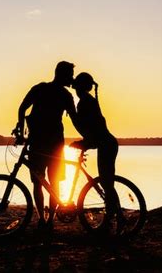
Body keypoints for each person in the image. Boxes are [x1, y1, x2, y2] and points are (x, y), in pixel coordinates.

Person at [14, 61, 77, 231]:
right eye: (70, 75)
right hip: (54, 142)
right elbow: (76, 120)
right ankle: (48, 221)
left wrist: (20, 131)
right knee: (52, 182)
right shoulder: (65, 95)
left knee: (38, 181)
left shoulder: (39, 88)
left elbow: (22, 109)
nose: (71, 79)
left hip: (38, 141)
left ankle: (43, 219)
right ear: (61, 74)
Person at [71, 72, 120, 225]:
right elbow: (92, 130)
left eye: (77, 85)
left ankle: (117, 217)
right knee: (107, 183)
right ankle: (113, 217)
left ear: (81, 86)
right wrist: (84, 142)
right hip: (106, 143)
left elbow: (93, 130)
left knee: (107, 183)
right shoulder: (87, 101)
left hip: (106, 144)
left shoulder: (85, 102)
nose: (74, 88)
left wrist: (83, 143)